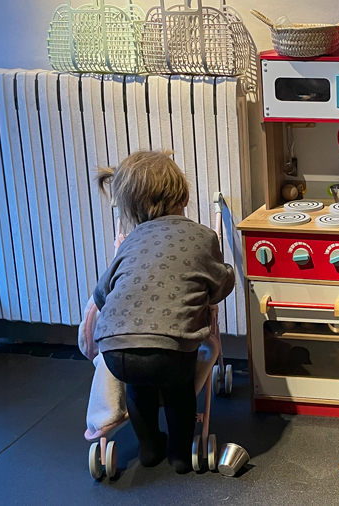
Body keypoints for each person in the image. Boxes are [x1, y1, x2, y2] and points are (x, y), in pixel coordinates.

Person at [93, 151, 234, 474]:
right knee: (178, 391)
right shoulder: (201, 236)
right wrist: (226, 274)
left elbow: (103, 293)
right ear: (183, 194)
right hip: (171, 347)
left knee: (138, 389)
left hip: (116, 349)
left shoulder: (130, 241)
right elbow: (219, 286)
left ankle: (149, 447)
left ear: (131, 207)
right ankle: (180, 453)